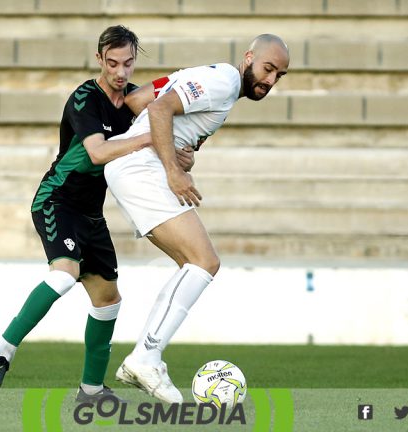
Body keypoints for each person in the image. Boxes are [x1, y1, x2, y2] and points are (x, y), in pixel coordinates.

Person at [0, 25, 193, 402]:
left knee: (109, 300)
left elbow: (161, 135)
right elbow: (97, 152)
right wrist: (156, 139)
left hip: (92, 213)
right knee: (64, 276)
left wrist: (178, 153)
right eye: (112, 63)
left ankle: (91, 389)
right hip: (57, 200)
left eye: (128, 63)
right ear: (99, 60)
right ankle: (1, 353)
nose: (121, 72)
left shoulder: (134, 100)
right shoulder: (84, 98)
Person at [104, 34, 290, 403]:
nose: (269, 81)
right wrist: (173, 169)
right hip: (141, 169)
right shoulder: (224, 79)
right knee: (204, 261)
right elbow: (157, 112)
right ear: (249, 57)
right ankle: (145, 356)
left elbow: (139, 101)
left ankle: (146, 356)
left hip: (133, 167)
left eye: (279, 76)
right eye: (268, 68)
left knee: (193, 265)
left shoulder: (213, 81)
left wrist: (173, 151)